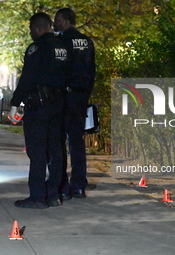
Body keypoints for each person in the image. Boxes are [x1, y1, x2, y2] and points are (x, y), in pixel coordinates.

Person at [9, 12, 68, 209]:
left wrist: (15, 103)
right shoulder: (63, 46)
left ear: (36, 28)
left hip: (39, 106)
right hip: (59, 104)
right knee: (56, 151)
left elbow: (28, 77)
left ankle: (37, 197)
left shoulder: (37, 47)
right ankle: (53, 194)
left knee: (37, 152)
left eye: (31, 30)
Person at [54, 8, 96, 199]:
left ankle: (61, 184)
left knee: (60, 141)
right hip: (81, 97)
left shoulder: (62, 41)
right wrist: (86, 95)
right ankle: (79, 185)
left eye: (57, 20)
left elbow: (59, 70)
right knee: (77, 141)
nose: (55, 23)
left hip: (65, 97)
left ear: (65, 21)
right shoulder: (87, 42)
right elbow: (92, 71)